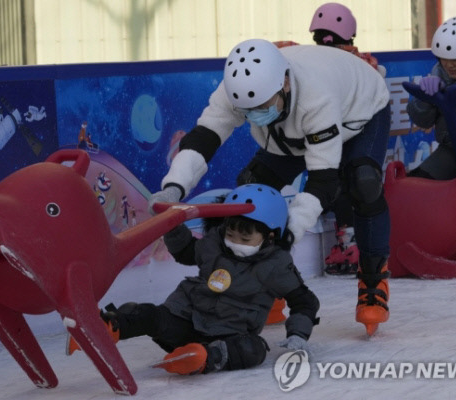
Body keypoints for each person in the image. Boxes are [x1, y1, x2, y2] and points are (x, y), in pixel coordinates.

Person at [149, 38, 392, 335]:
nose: (253, 116)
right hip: (293, 123)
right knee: (251, 192)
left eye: (260, 107)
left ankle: (372, 281)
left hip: (360, 111)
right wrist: (173, 187)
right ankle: (258, 288)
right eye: (246, 110)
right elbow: (204, 137)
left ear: (285, 84)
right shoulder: (237, 89)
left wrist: (289, 234)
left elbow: (323, 181)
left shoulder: (316, 98)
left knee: (362, 181)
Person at [71, 184, 320, 375]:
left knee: (255, 350)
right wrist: (170, 223)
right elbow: (185, 251)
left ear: (271, 236)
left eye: (245, 240)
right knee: (148, 314)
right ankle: (106, 328)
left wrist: (298, 332)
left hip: (229, 336)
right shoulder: (215, 243)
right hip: (186, 321)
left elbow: (304, 302)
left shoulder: (276, 265)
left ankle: (202, 359)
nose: (234, 243)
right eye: (230, 234)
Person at [274, 3, 385, 275]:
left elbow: (373, 79)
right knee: (329, 179)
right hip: (325, 126)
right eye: (322, 38)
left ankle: (361, 249)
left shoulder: (359, 62)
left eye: (333, 39)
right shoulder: (310, 58)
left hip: (355, 124)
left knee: (358, 179)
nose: (327, 44)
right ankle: (344, 240)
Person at [406, 16, 456, 253]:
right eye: (444, 60)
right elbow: (421, 119)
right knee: (420, 184)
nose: (448, 66)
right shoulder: (440, 71)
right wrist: (425, 98)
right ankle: (428, 240)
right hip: (454, 146)